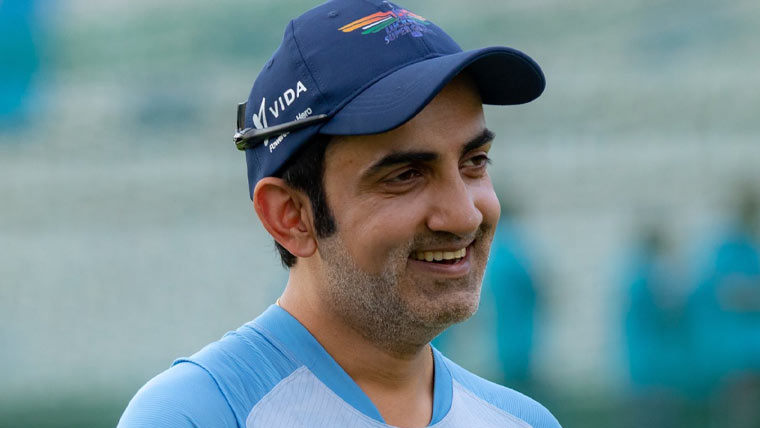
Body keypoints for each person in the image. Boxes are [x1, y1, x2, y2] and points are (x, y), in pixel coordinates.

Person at [118, 0, 560, 427]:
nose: (465, 216)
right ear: (291, 216)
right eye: (405, 175)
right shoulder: (196, 416)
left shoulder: (524, 421)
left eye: (474, 162)